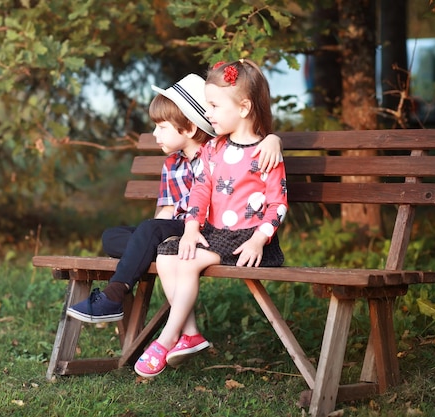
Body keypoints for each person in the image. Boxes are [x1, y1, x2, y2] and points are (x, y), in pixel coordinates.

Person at [66, 73, 283, 325]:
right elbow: (167, 212)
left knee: (147, 232)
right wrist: (153, 234)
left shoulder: (217, 150)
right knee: (112, 237)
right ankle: (153, 247)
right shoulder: (172, 163)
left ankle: (114, 294)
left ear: (189, 128)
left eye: (162, 126)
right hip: (175, 230)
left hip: (205, 231)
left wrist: (273, 139)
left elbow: (249, 141)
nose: (155, 133)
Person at [134, 59, 288, 378]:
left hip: (250, 241)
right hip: (217, 235)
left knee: (187, 263)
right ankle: (189, 334)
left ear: (244, 107)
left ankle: (165, 340)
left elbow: (278, 204)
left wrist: (260, 239)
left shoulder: (266, 151)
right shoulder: (214, 148)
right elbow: (200, 190)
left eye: (214, 106)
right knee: (167, 253)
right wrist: (190, 229)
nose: (209, 114)